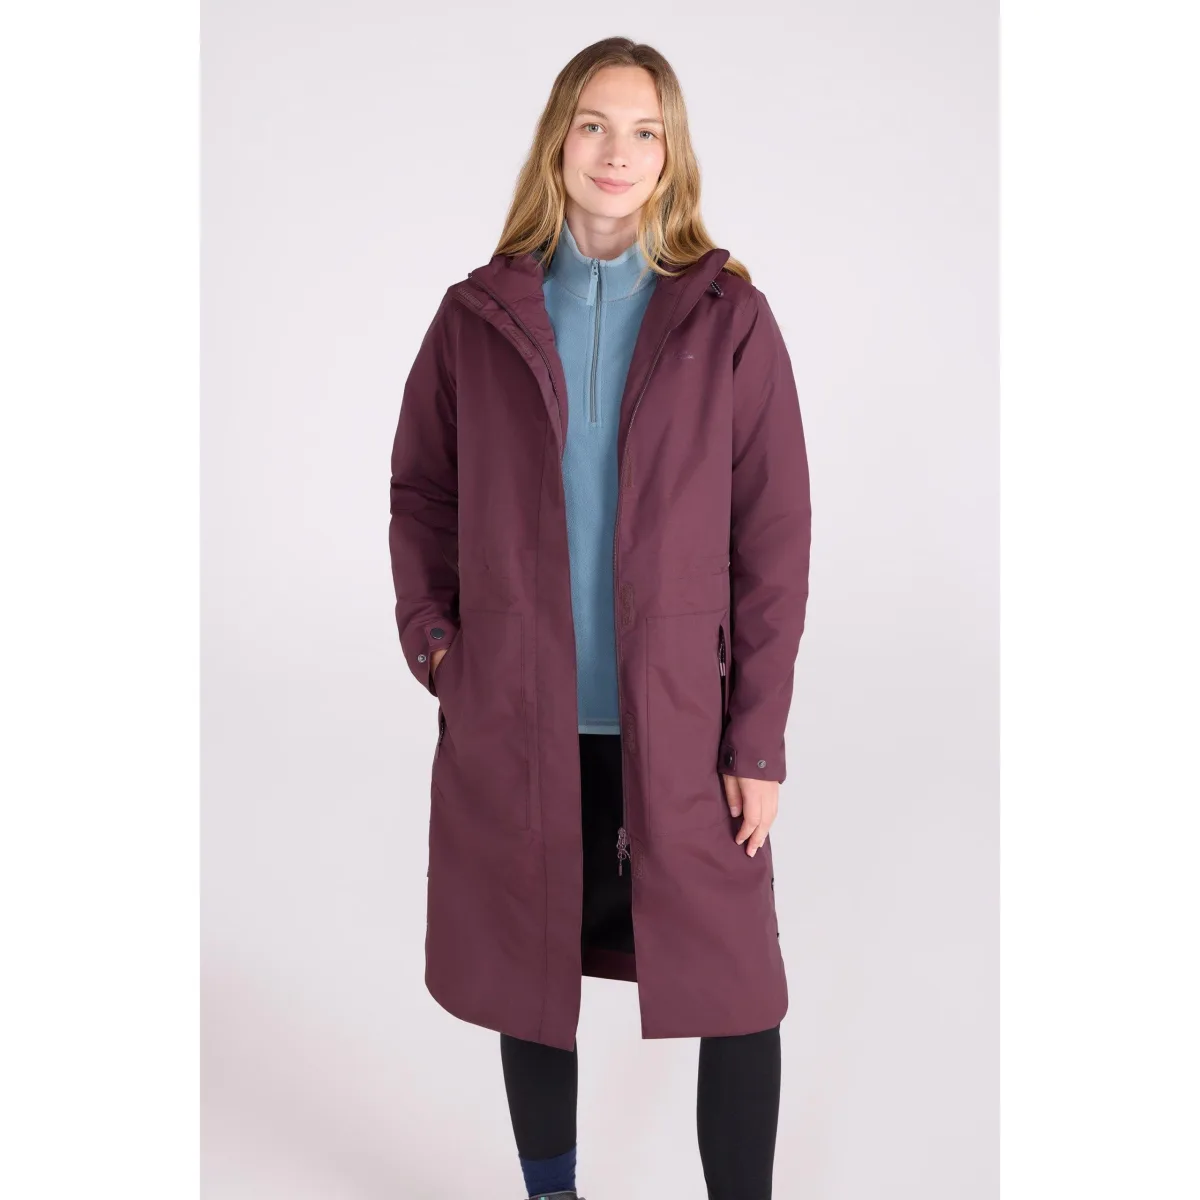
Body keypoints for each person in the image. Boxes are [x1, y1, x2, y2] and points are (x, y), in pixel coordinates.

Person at [389, 36, 811, 1200]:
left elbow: (774, 543)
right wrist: (442, 650)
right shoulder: (476, 318)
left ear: (672, 156)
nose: (616, 152)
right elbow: (422, 490)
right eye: (594, 124)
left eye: (644, 131)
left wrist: (757, 740)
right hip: (521, 722)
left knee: (740, 990)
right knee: (531, 982)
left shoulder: (728, 320)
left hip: (681, 729)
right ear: (557, 142)